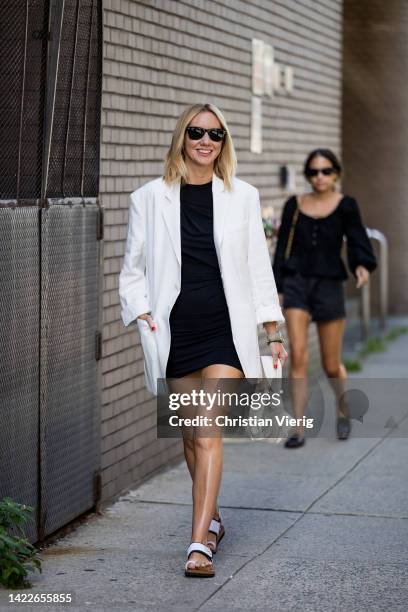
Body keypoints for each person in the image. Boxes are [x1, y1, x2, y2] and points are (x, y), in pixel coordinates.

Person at [118, 103, 286, 577]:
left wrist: (271, 331)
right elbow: (132, 270)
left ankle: (199, 545)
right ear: (183, 138)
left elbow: (257, 265)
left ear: (224, 142)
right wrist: (144, 314)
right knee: (190, 436)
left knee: (208, 431)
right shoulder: (149, 197)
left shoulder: (243, 196)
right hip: (176, 334)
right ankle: (212, 518)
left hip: (225, 333)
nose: (206, 141)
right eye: (196, 132)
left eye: (215, 134)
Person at [273, 149, 377, 448]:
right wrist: (278, 287)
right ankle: (298, 428)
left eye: (326, 171)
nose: (320, 177)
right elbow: (282, 249)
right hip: (296, 284)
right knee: (299, 356)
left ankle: (343, 409)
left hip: (330, 285)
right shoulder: (294, 205)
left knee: (332, 364)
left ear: (336, 173)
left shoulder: (347, 205)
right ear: (308, 175)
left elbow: (357, 238)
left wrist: (362, 265)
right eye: (314, 172)